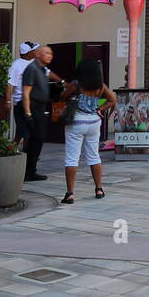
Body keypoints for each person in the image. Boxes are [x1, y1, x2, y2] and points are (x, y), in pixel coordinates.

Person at [58, 58, 117, 203]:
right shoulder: (100, 86)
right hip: (94, 123)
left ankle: (70, 193)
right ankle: (99, 189)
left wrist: (66, 92)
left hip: (76, 122)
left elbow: (62, 97)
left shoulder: (76, 85)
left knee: (72, 157)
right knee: (94, 156)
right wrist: (100, 109)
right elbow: (112, 99)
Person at [21, 45, 53, 182]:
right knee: (35, 140)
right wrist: (28, 114)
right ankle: (28, 172)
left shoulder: (42, 69)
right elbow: (26, 93)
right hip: (33, 107)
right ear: (38, 54)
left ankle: (32, 170)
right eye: (46, 53)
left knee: (39, 140)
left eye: (51, 53)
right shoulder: (32, 69)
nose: (50, 55)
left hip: (41, 107)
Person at [8, 40, 39, 149]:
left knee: (26, 132)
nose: (36, 51)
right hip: (21, 103)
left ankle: (23, 154)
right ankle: (14, 152)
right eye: (33, 50)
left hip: (33, 102)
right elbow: (10, 84)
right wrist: (8, 101)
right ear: (28, 52)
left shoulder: (34, 63)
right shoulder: (16, 65)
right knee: (23, 132)